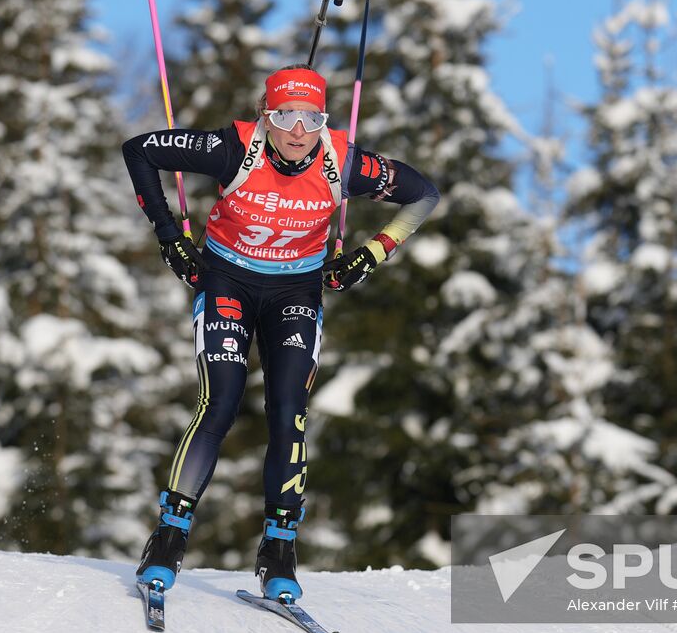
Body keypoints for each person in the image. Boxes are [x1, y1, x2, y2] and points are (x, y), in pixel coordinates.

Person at [121, 64, 440, 601]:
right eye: (284, 115)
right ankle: (169, 538)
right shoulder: (231, 149)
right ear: (265, 117)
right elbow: (140, 149)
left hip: (296, 292)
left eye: (311, 117)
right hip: (225, 278)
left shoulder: (345, 163)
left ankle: (279, 550)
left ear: (323, 121)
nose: (298, 130)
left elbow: (424, 194)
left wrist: (370, 253)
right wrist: (169, 235)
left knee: (288, 410)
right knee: (218, 403)